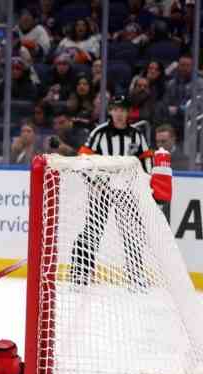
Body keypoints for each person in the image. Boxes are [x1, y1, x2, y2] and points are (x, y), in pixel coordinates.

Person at [71, 94, 158, 287]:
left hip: (127, 190)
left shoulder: (137, 135)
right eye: (116, 109)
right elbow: (84, 158)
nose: (119, 114)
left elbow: (147, 160)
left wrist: (144, 182)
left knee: (131, 232)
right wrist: (93, 182)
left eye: (123, 110)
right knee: (92, 230)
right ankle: (81, 273)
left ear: (128, 113)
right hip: (101, 190)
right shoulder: (99, 133)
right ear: (110, 111)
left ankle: (135, 275)